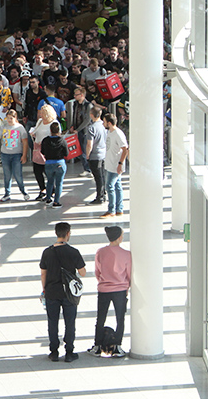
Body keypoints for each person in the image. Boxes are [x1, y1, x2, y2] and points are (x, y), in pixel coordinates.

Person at [40, 222, 86, 362]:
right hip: (69, 293)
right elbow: (82, 273)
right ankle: (69, 351)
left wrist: (44, 290)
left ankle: (54, 351)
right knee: (70, 322)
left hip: (52, 292)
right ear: (68, 234)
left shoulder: (47, 252)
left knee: (52, 322)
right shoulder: (74, 252)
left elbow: (43, 274)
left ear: (56, 234)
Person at [88, 226, 131, 358]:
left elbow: (97, 271)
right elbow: (129, 273)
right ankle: (117, 346)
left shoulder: (100, 252)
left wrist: (103, 281)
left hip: (104, 289)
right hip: (120, 290)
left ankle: (97, 346)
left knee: (100, 318)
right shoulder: (126, 254)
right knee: (120, 318)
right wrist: (127, 286)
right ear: (118, 237)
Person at [0, 110, 29, 202]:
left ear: (15, 118)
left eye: (11, 118)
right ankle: (7, 193)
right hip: (5, 154)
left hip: (16, 154)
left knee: (18, 175)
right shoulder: (4, 126)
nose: (9, 120)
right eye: (7, 118)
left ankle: (23, 191)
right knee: (7, 175)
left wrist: (24, 155)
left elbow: (25, 142)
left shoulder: (20, 128)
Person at [101, 113, 129, 218]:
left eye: (104, 122)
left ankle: (111, 209)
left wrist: (120, 163)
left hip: (115, 164)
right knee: (117, 186)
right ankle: (119, 209)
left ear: (109, 123)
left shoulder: (118, 134)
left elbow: (125, 149)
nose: (103, 124)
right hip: (110, 163)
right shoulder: (109, 132)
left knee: (109, 186)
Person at [29, 105, 58, 201]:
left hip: (48, 149)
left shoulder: (54, 123)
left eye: (43, 113)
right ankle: (42, 189)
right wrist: (33, 132)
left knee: (48, 171)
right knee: (37, 171)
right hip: (37, 148)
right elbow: (36, 129)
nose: (41, 114)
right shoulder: (40, 121)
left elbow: (57, 137)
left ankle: (52, 189)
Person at [66, 86, 93, 176]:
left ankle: (88, 168)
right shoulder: (76, 104)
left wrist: (78, 129)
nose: (74, 96)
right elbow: (74, 116)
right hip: (77, 129)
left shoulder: (88, 105)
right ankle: (86, 167)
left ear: (82, 95)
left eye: (76, 95)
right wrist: (72, 126)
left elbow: (87, 120)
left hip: (84, 130)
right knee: (80, 149)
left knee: (84, 148)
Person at [42, 122, 69, 208]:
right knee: (59, 183)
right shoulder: (62, 141)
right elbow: (66, 153)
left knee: (49, 181)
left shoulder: (45, 140)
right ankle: (56, 202)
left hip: (48, 163)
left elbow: (42, 151)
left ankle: (48, 198)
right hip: (59, 163)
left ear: (50, 130)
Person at [85, 106, 108, 205]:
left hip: (95, 155)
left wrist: (87, 154)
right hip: (103, 153)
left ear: (91, 115)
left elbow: (89, 144)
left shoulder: (91, 128)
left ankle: (99, 197)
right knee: (102, 176)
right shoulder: (104, 126)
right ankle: (103, 194)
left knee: (97, 177)